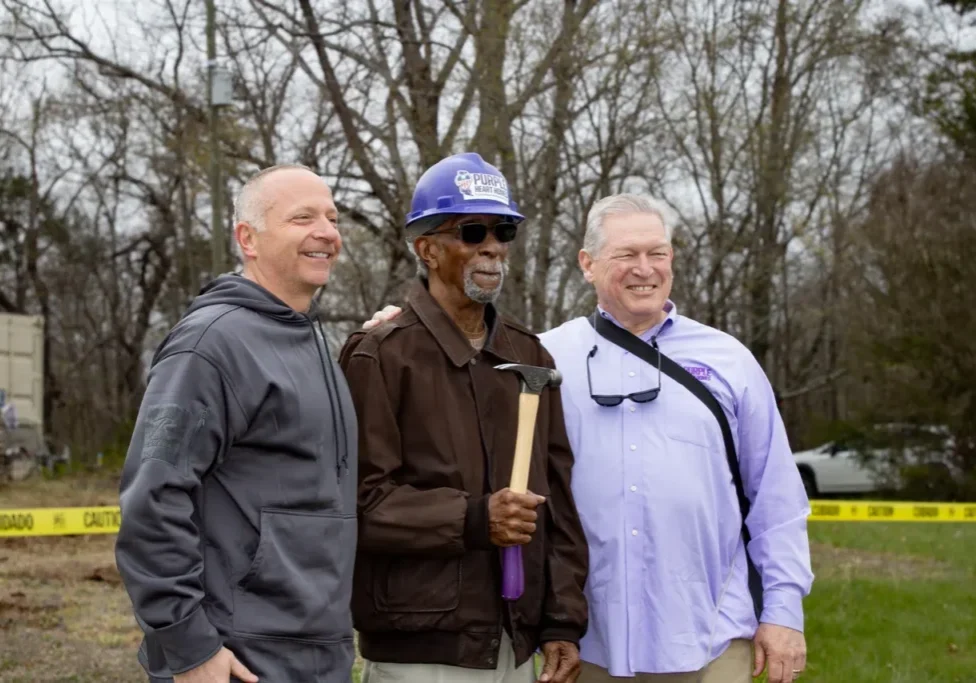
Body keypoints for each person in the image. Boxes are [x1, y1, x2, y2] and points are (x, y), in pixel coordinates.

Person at [362, 193, 814, 683]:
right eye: (626, 255)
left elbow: (776, 499)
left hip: (712, 635)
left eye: (657, 253)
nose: (645, 269)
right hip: (589, 641)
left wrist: (783, 610)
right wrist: (405, 327)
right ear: (588, 264)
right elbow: (458, 362)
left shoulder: (730, 360)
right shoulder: (544, 357)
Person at [338, 152, 589, 683]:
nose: (493, 246)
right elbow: (360, 503)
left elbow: (560, 502)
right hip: (421, 648)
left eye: (503, 231)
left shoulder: (531, 356)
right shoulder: (379, 355)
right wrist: (476, 519)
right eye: (472, 231)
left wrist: (562, 620)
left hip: (515, 643)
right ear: (427, 249)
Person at [115, 164, 359, 683]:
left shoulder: (316, 344)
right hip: (239, 657)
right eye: (302, 217)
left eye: (332, 217)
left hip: (318, 650)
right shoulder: (209, 347)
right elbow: (151, 501)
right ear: (247, 238)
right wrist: (189, 645)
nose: (326, 231)